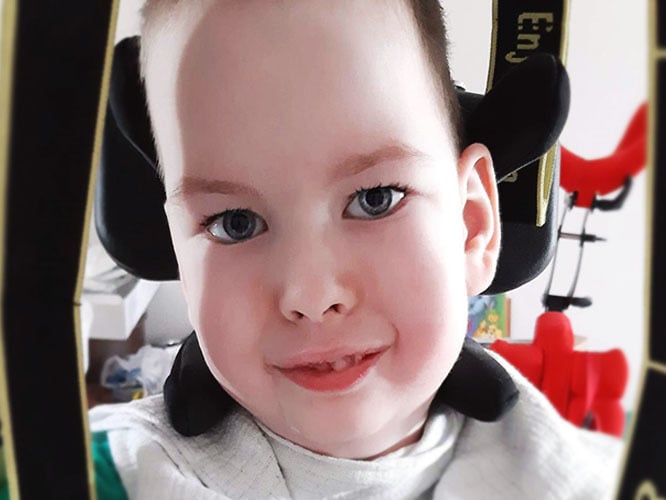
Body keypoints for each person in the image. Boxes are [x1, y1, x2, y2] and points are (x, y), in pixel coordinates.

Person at [88, 0, 622, 498]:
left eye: (375, 199)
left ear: (470, 222)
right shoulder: (111, 470)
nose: (311, 296)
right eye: (235, 223)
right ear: (182, 259)